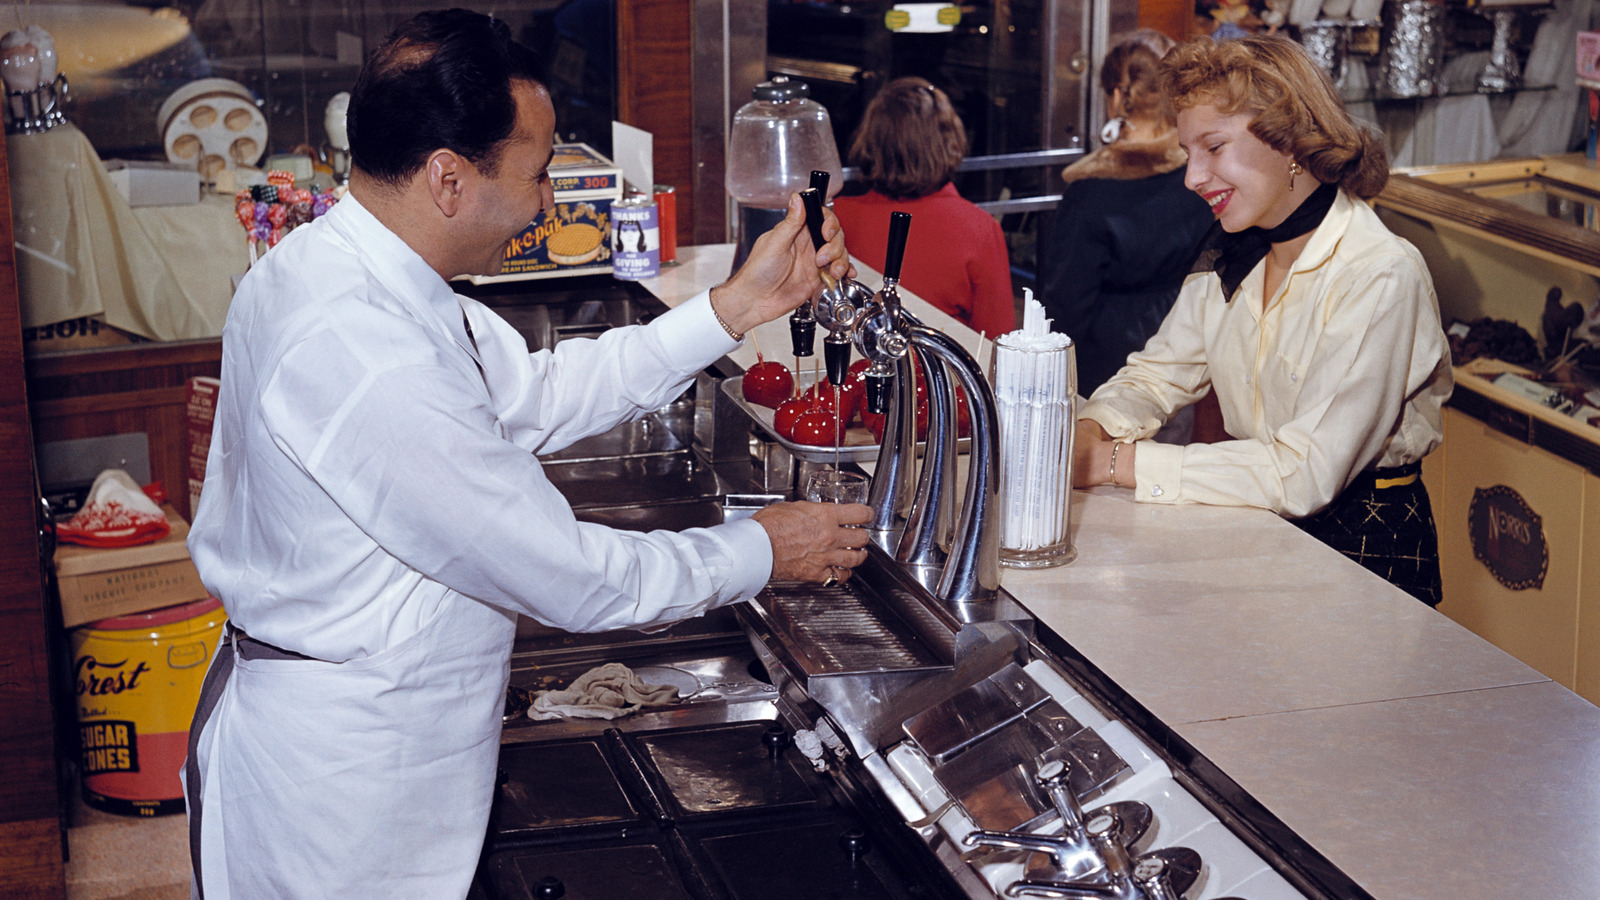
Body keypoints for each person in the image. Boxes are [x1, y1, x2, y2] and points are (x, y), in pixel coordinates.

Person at [182, 10, 865, 898]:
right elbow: (570, 575)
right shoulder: (365, 351)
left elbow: (534, 394)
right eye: (537, 172)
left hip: (365, 740)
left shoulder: (349, 269)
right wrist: (762, 550)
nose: (547, 200)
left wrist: (735, 306)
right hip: (346, 799)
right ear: (449, 178)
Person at [1071, 34, 1453, 607]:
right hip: (1257, 522)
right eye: (1188, 151)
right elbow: (1157, 375)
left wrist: (1118, 461)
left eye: (1214, 147)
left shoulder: (1380, 273)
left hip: (1365, 551)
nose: (1192, 177)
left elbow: (1304, 472)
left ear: (1292, 140)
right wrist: (1093, 428)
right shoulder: (1235, 251)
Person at [1038, 29, 1214, 397]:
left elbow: (1065, 309)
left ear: (1117, 95)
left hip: (1103, 372)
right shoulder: (1199, 176)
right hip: (1180, 358)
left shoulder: (1089, 195)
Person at [831, 77, 1016, 337]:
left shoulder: (836, 217)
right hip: (942, 363)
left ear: (870, 141)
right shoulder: (981, 229)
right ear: (948, 142)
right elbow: (998, 340)